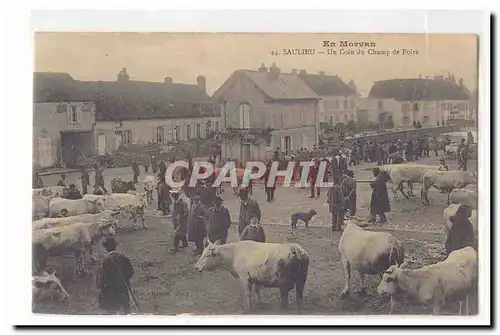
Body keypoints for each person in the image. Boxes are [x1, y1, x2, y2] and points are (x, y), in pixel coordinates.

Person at [97, 237, 135, 315]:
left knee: (111, 311)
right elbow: (131, 271)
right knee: (126, 310)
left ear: (106, 248)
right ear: (115, 246)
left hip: (110, 289)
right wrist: (125, 280)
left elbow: (102, 276)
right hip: (123, 287)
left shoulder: (106, 260)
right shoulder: (123, 257)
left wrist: (100, 286)